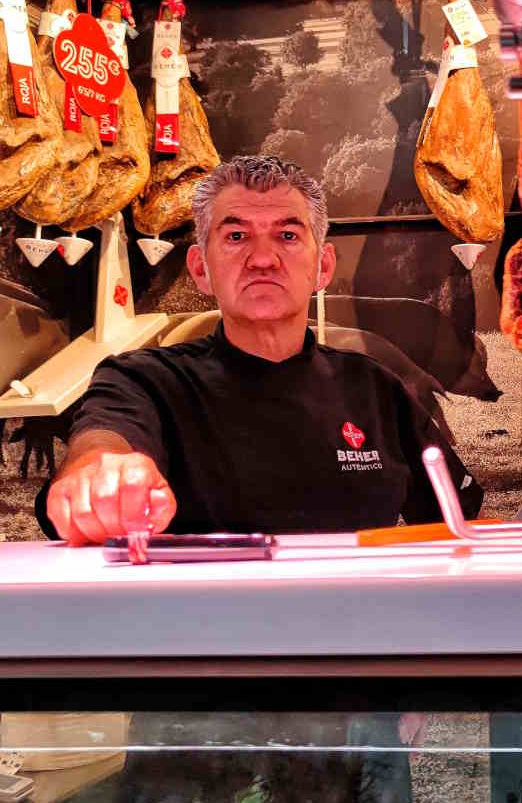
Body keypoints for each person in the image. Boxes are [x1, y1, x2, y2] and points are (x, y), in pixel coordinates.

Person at [44, 154, 483, 543]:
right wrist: (99, 470)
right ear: (200, 269)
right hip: (200, 629)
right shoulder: (144, 381)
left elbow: (457, 525)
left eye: (288, 237)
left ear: (323, 267)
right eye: (236, 237)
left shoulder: (375, 388)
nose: (263, 259)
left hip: (354, 628)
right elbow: (104, 439)